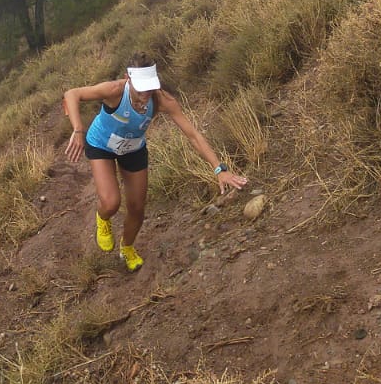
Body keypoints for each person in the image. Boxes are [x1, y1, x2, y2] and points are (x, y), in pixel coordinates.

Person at [62, 53, 247, 270]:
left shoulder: (162, 100)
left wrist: (219, 169)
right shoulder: (114, 91)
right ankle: (103, 219)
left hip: (132, 149)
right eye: (141, 90)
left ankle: (127, 248)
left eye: (149, 89)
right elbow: (72, 94)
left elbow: (193, 135)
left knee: (137, 207)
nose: (145, 96)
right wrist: (78, 129)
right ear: (128, 79)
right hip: (101, 145)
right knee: (111, 202)